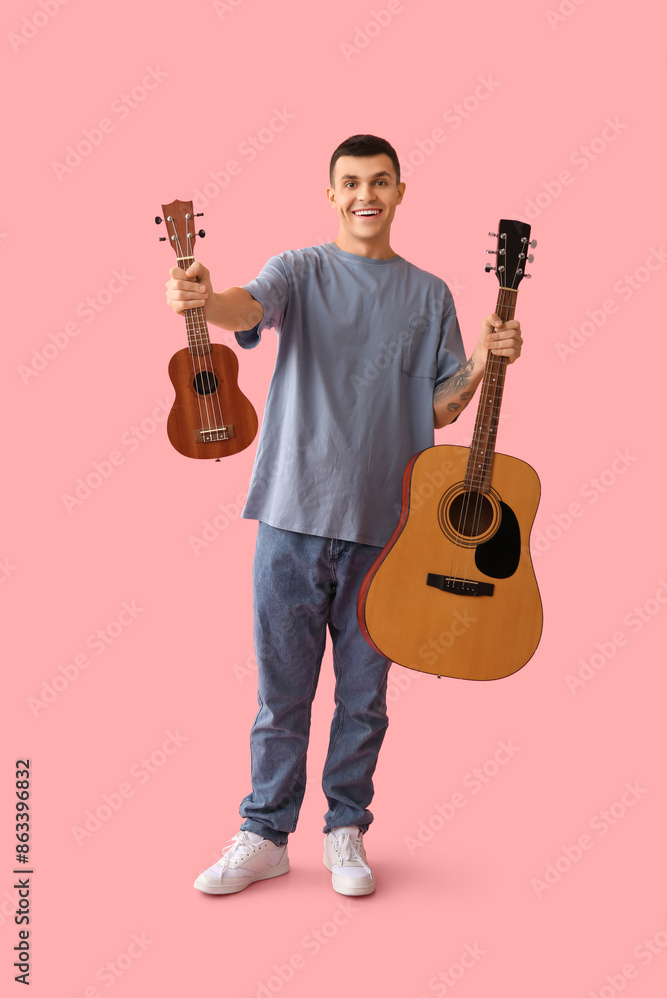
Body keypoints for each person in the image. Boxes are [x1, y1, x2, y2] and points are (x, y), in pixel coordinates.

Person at [165, 134, 523, 897]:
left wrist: (487, 359)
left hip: (390, 532)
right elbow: (245, 307)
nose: (366, 194)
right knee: (281, 696)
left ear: (399, 192)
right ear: (330, 194)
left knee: (364, 699)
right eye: (351, 182)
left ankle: (344, 831)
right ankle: (263, 834)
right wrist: (204, 293)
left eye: (380, 182)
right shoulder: (302, 269)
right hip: (291, 516)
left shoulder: (430, 295)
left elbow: (441, 407)